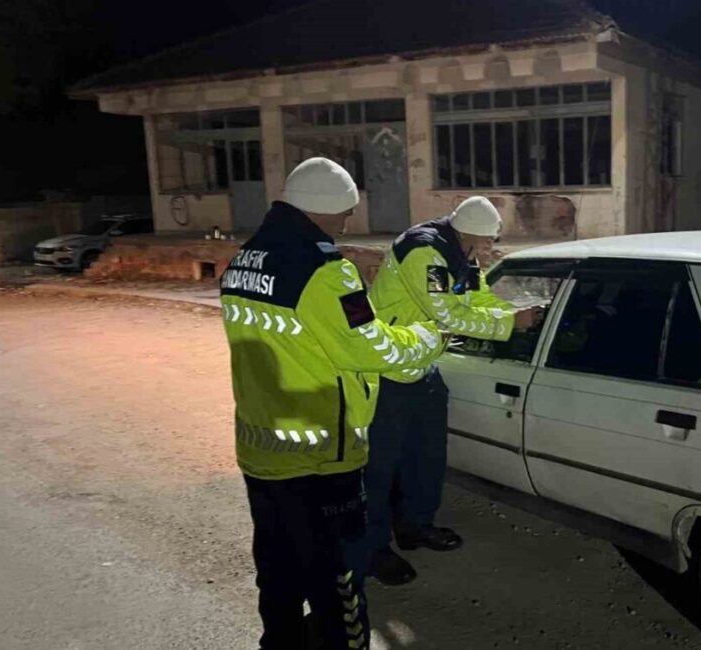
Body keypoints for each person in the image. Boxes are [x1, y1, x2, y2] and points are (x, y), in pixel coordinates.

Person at [221, 157, 447, 649]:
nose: (347, 222)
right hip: (321, 456)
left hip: (262, 450)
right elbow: (371, 349)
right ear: (326, 208)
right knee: (339, 582)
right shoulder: (325, 271)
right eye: (346, 212)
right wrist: (428, 337)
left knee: (278, 570)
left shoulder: (244, 260)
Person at [364, 196, 540, 585]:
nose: (490, 248)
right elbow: (447, 314)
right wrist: (510, 325)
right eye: (487, 241)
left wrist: (514, 314)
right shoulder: (425, 254)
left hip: (422, 367)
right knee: (379, 468)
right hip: (387, 370)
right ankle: (373, 549)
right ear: (471, 234)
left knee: (426, 456)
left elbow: (476, 298)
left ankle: (415, 526)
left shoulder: (461, 255)